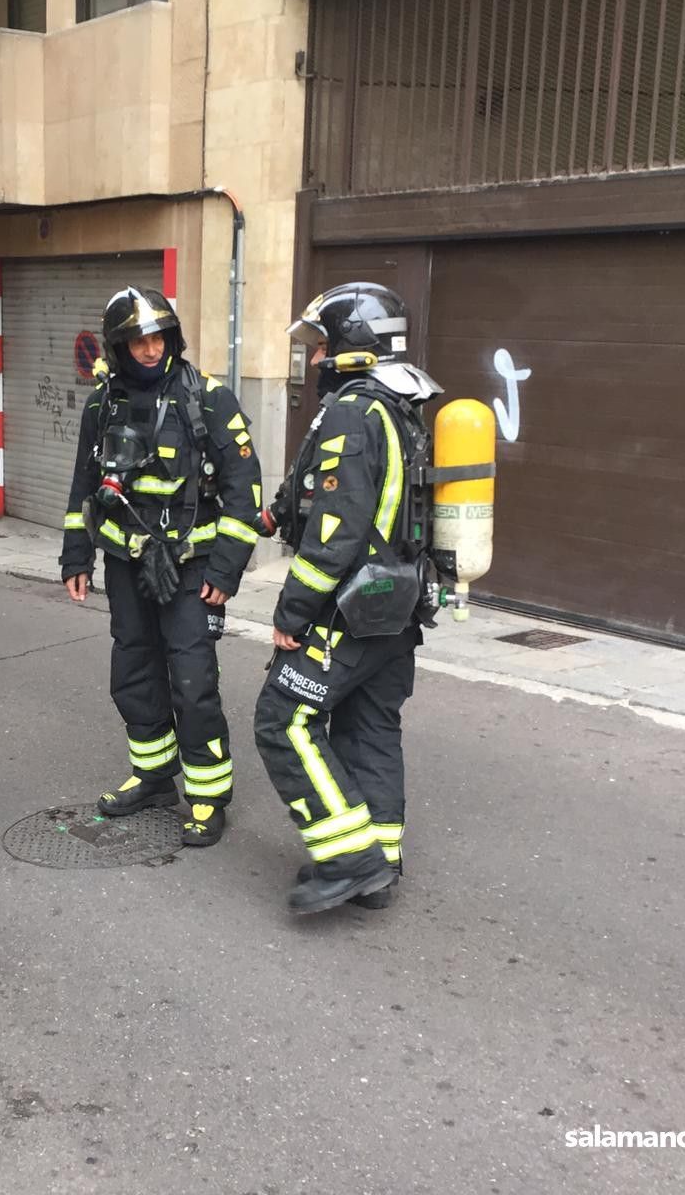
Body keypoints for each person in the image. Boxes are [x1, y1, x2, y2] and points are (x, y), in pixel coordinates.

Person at [252, 282, 443, 914]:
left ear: (351, 346)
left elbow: (337, 532)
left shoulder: (351, 413)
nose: (313, 360)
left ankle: (347, 859)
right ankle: (380, 866)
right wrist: (274, 514)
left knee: (282, 722)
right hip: (399, 611)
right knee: (370, 728)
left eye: (321, 346)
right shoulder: (399, 408)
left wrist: (291, 613)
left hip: (349, 612)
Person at [60, 286, 264, 846]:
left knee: (193, 681)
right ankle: (153, 777)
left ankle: (206, 795)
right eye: (137, 340)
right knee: (133, 672)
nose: (150, 349)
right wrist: (76, 554)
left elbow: (245, 491)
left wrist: (225, 571)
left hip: (190, 567)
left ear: (172, 338)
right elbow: (83, 483)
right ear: (119, 346)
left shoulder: (209, 399)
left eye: (158, 337)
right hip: (127, 563)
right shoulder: (103, 404)